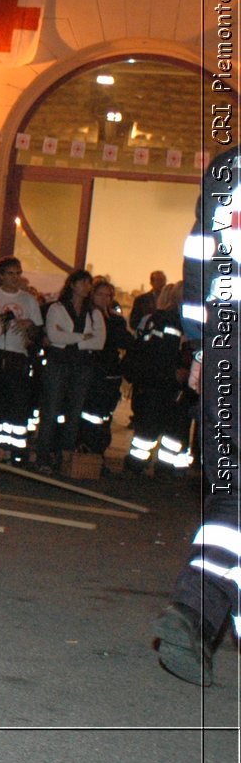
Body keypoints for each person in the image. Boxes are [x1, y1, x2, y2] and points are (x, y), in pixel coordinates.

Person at [153, 145, 240, 686]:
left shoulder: (228, 167)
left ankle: (204, 612)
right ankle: (195, 608)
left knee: (232, 491)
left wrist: (203, 348)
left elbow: (199, 259)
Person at [33, 268, 105, 472]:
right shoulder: (57, 308)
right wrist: (83, 338)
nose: (86, 287)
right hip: (58, 364)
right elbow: (55, 337)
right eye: (82, 283)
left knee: (74, 413)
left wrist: (69, 337)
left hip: (82, 366)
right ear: (72, 285)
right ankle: (43, 457)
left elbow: (99, 342)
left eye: (88, 283)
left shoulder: (93, 312)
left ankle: (64, 458)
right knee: (51, 411)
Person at [124, 281, 187, 475]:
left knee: (172, 430)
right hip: (159, 381)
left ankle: (162, 467)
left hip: (172, 383)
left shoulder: (186, 321)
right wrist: (174, 371)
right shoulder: (165, 319)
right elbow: (156, 351)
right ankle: (137, 465)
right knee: (150, 427)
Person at [0, 256, 44, 457]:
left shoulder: (28, 300)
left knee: (17, 403)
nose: (15, 277)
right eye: (10, 273)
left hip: (19, 356)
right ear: (1, 276)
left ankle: (14, 451)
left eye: (18, 273)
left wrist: (29, 324)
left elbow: (38, 331)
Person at [80, 278, 132, 455]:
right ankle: (86, 446)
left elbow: (126, 342)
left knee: (105, 414)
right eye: (100, 294)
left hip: (111, 372)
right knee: (90, 412)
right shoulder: (87, 316)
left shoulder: (116, 321)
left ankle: (99, 449)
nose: (104, 298)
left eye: (107, 295)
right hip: (93, 371)